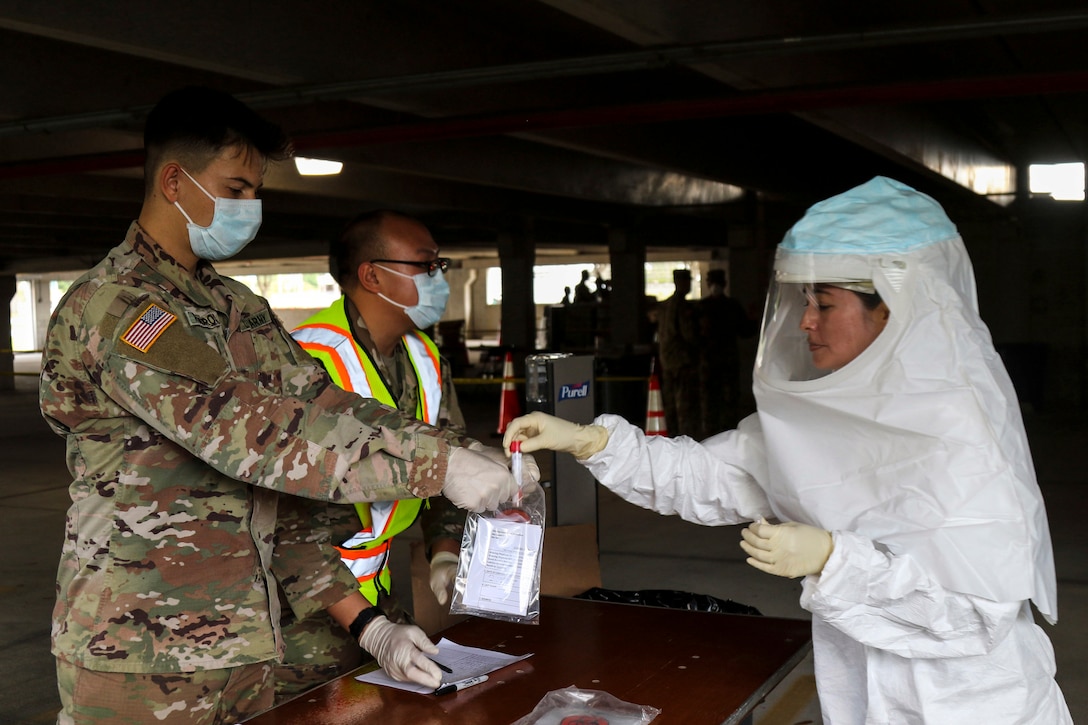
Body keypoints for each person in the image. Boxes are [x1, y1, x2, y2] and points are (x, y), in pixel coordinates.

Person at [504, 177, 1072, 723]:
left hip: (973, 709)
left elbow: (977, 617)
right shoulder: (820, 413)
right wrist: (593, 441)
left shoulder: (960, 431)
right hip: (860, 701)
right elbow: (709, 476)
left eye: (825, 303)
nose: (804, 322)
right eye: (804, 301)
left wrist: (834, 559)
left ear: (892, 308)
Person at [38, 86, 521, 725]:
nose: (251, 207)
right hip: (139, 653)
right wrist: (436, 468)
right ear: (175, 182)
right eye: (236, 190)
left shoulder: (238, 309)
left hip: (248, 649)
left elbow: (322, 408)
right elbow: (249, 434)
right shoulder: (120, 306)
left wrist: (460, 451)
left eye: (255, 192)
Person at [278, 210, 518, 700]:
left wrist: (444, 554)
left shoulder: (425, 359)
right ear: (372, 274)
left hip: (373, 597)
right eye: (426, 266)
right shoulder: (304, 361)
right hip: (297, 616)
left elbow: (450, 466)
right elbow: (280, 522)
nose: (439, 279)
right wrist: (369, 626)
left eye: (440, 265)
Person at [698, 269, 757, 435]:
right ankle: (710, 435)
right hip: (709, 364)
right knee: (709, 403)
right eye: (712, 283)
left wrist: (753, 318)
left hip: (727, 363)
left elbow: (745, 330)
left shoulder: (732, 306)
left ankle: (728, 434)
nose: (715, 286)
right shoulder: (702, 307)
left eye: (718, 283)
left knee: (729, 402)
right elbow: (692, 336)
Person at [656, 268, 700, 438]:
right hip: (682, 362)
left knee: (670, 404)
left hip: (667, 360)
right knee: (685, 406)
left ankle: (671, 437)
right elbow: (689, 335)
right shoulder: (682, 306)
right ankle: (685, 439)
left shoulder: (665, 305)